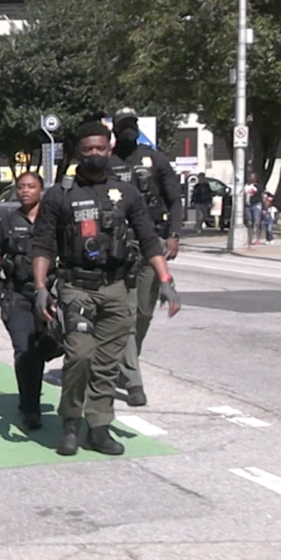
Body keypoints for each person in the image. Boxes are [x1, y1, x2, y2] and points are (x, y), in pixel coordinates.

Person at [31, 122, 181, 457]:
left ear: (109, 149)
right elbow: (42, 245)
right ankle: (70, 422)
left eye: (100, 148)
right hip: (76, 287)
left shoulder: (126, 194)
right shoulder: (60, 195)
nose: (95, 155)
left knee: (107, 364)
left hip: (116, 287)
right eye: (88, 150)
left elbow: (147, 239)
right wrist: (41, 288)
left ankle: (98, 428)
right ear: (78, 153)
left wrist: (166, 281)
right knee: (80, 354)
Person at [109, 107, 183, 409]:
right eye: (122, 126)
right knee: (125, 315)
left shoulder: (154, 159)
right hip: (117, 246)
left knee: (143, 313)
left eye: (131, 126)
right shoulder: (107, 162)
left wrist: (174, 235)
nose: (127, 131)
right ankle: (132, 379)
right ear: (114, 130)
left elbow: (175, 198)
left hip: (150, 243)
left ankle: (125, 363)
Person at [0, 172, 54, 430]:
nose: (25, 191)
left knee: (42, 351)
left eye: (31, 186)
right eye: (21, 187)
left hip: (48, 295)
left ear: (41, 190)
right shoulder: (9, 220)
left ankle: (31, 396)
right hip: (17, 294)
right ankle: (30, 407)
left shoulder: (53, 220)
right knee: (23, 351)